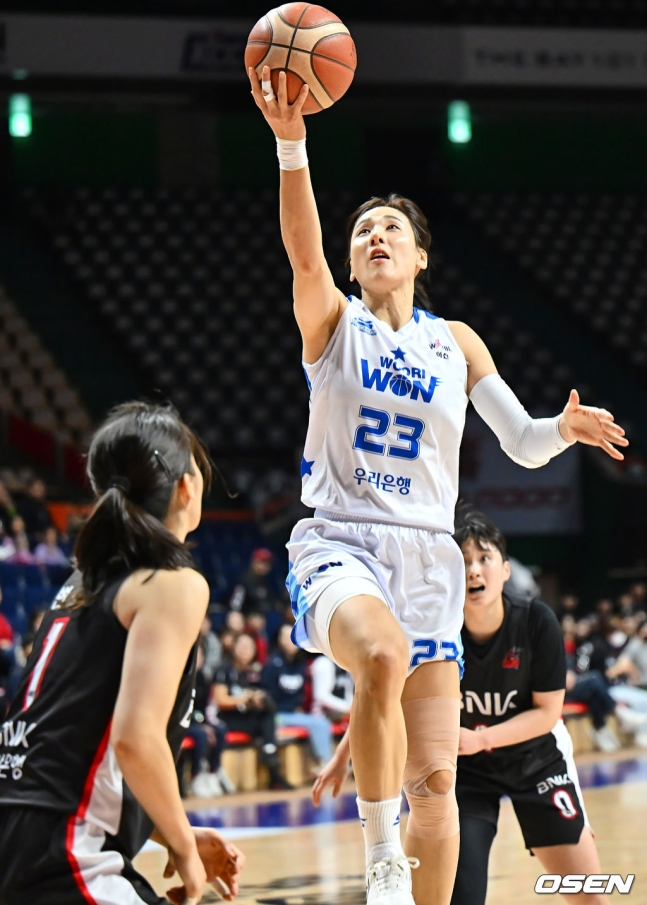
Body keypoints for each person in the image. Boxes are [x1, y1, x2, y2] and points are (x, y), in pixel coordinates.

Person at [248, 63, 629, 905]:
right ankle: (380, 860)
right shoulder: (334, 323)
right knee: (379, 653)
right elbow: (302, 252)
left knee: (435, 784)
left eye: (390, 227)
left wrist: (561, 429)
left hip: (428, 555)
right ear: (352, 262)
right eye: (362, 232)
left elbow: (521, 442)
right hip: (341, 538)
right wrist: (291, 144)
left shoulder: (454, 341)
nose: (374, 237)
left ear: (420, 255)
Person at [0, 401, 244, 905]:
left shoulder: (82, 584)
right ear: (187, 487)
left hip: (23, 833)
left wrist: (175, 831)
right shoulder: (173, 585)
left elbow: (74, 746)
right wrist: (184, 851)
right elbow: (135, 739)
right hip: (65, 853)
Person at [314, 510, 611, 905]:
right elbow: (386, 695)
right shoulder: (433, 628)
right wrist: (343, 755)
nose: (473, 570)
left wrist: (481, 739)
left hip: (535, 761)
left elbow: (548, 712)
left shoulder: (536, 621)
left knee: (589, 894)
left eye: (484, 559)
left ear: (505, 570)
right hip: (466, 773)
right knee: (458, 895)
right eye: (464, 561)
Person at [214, 632, 292, 790]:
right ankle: (272, 764)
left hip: (248, 717)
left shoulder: (254, 671)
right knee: (266, 724)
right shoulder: (224, 670)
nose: (245, 651)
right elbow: (220, 700)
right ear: (233, 648)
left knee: (268, 715)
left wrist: (259, 699)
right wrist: (246, 698)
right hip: (227, 719)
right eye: (242, 646)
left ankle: (270, 757)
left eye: (249, 647)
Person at [262, 624, 334, 771]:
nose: (290, 641)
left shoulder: (300, 664)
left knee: (321, 722)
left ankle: (321, 763)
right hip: (276, 715)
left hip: (293, 713)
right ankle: (327, 764)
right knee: (320, 724)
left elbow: (300, 693)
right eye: (285, 637)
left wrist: (297, 707)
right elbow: (266, 693)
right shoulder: (272, 664)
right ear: (279, 640)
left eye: (292, 636)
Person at [228, 548, 279, 616]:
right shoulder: (244, 580)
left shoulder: (267, 581)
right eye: (261, 562)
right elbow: (235, 605)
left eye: (267, 563)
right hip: (245, 614)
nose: (264, 566)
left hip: (261, 615)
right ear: (254, 562)